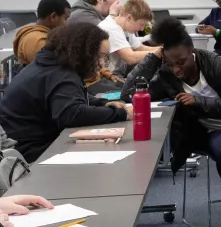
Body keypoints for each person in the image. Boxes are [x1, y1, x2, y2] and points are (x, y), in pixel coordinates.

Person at [122, 18, 221, 227]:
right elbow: (128, 94)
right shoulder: (167, 75)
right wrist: (153, 58)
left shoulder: (217, 63)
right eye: (170, 63)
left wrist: (198, 101)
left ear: (192, 52)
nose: (177, 69)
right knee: (220, 150)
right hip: (206, 132)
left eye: (182, 62)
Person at [0, 23, 129, 162]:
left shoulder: (49, 65)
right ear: (83, 52)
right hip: (32, 154)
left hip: (28, 146)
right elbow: (71, 115)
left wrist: (103, 103)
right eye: (99, 56)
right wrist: (122, 114)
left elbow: (71, 98)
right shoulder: (60, 74)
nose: (102, 63)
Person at [99, 0, 159, 75]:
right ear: (129, 18)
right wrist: (160, 53)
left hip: (114, 72)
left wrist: (163, 49)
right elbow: (130, 58)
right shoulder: (112, 29)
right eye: (141, 24)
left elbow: (139, 48)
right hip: (102, 76)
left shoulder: (125, 28)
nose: (142, 29)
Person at [14, 0, 70, 66]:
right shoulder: (37, 41)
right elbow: (56, 70)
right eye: (65, 18)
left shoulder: (41, 35)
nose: (67, 24)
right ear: (53, 17)